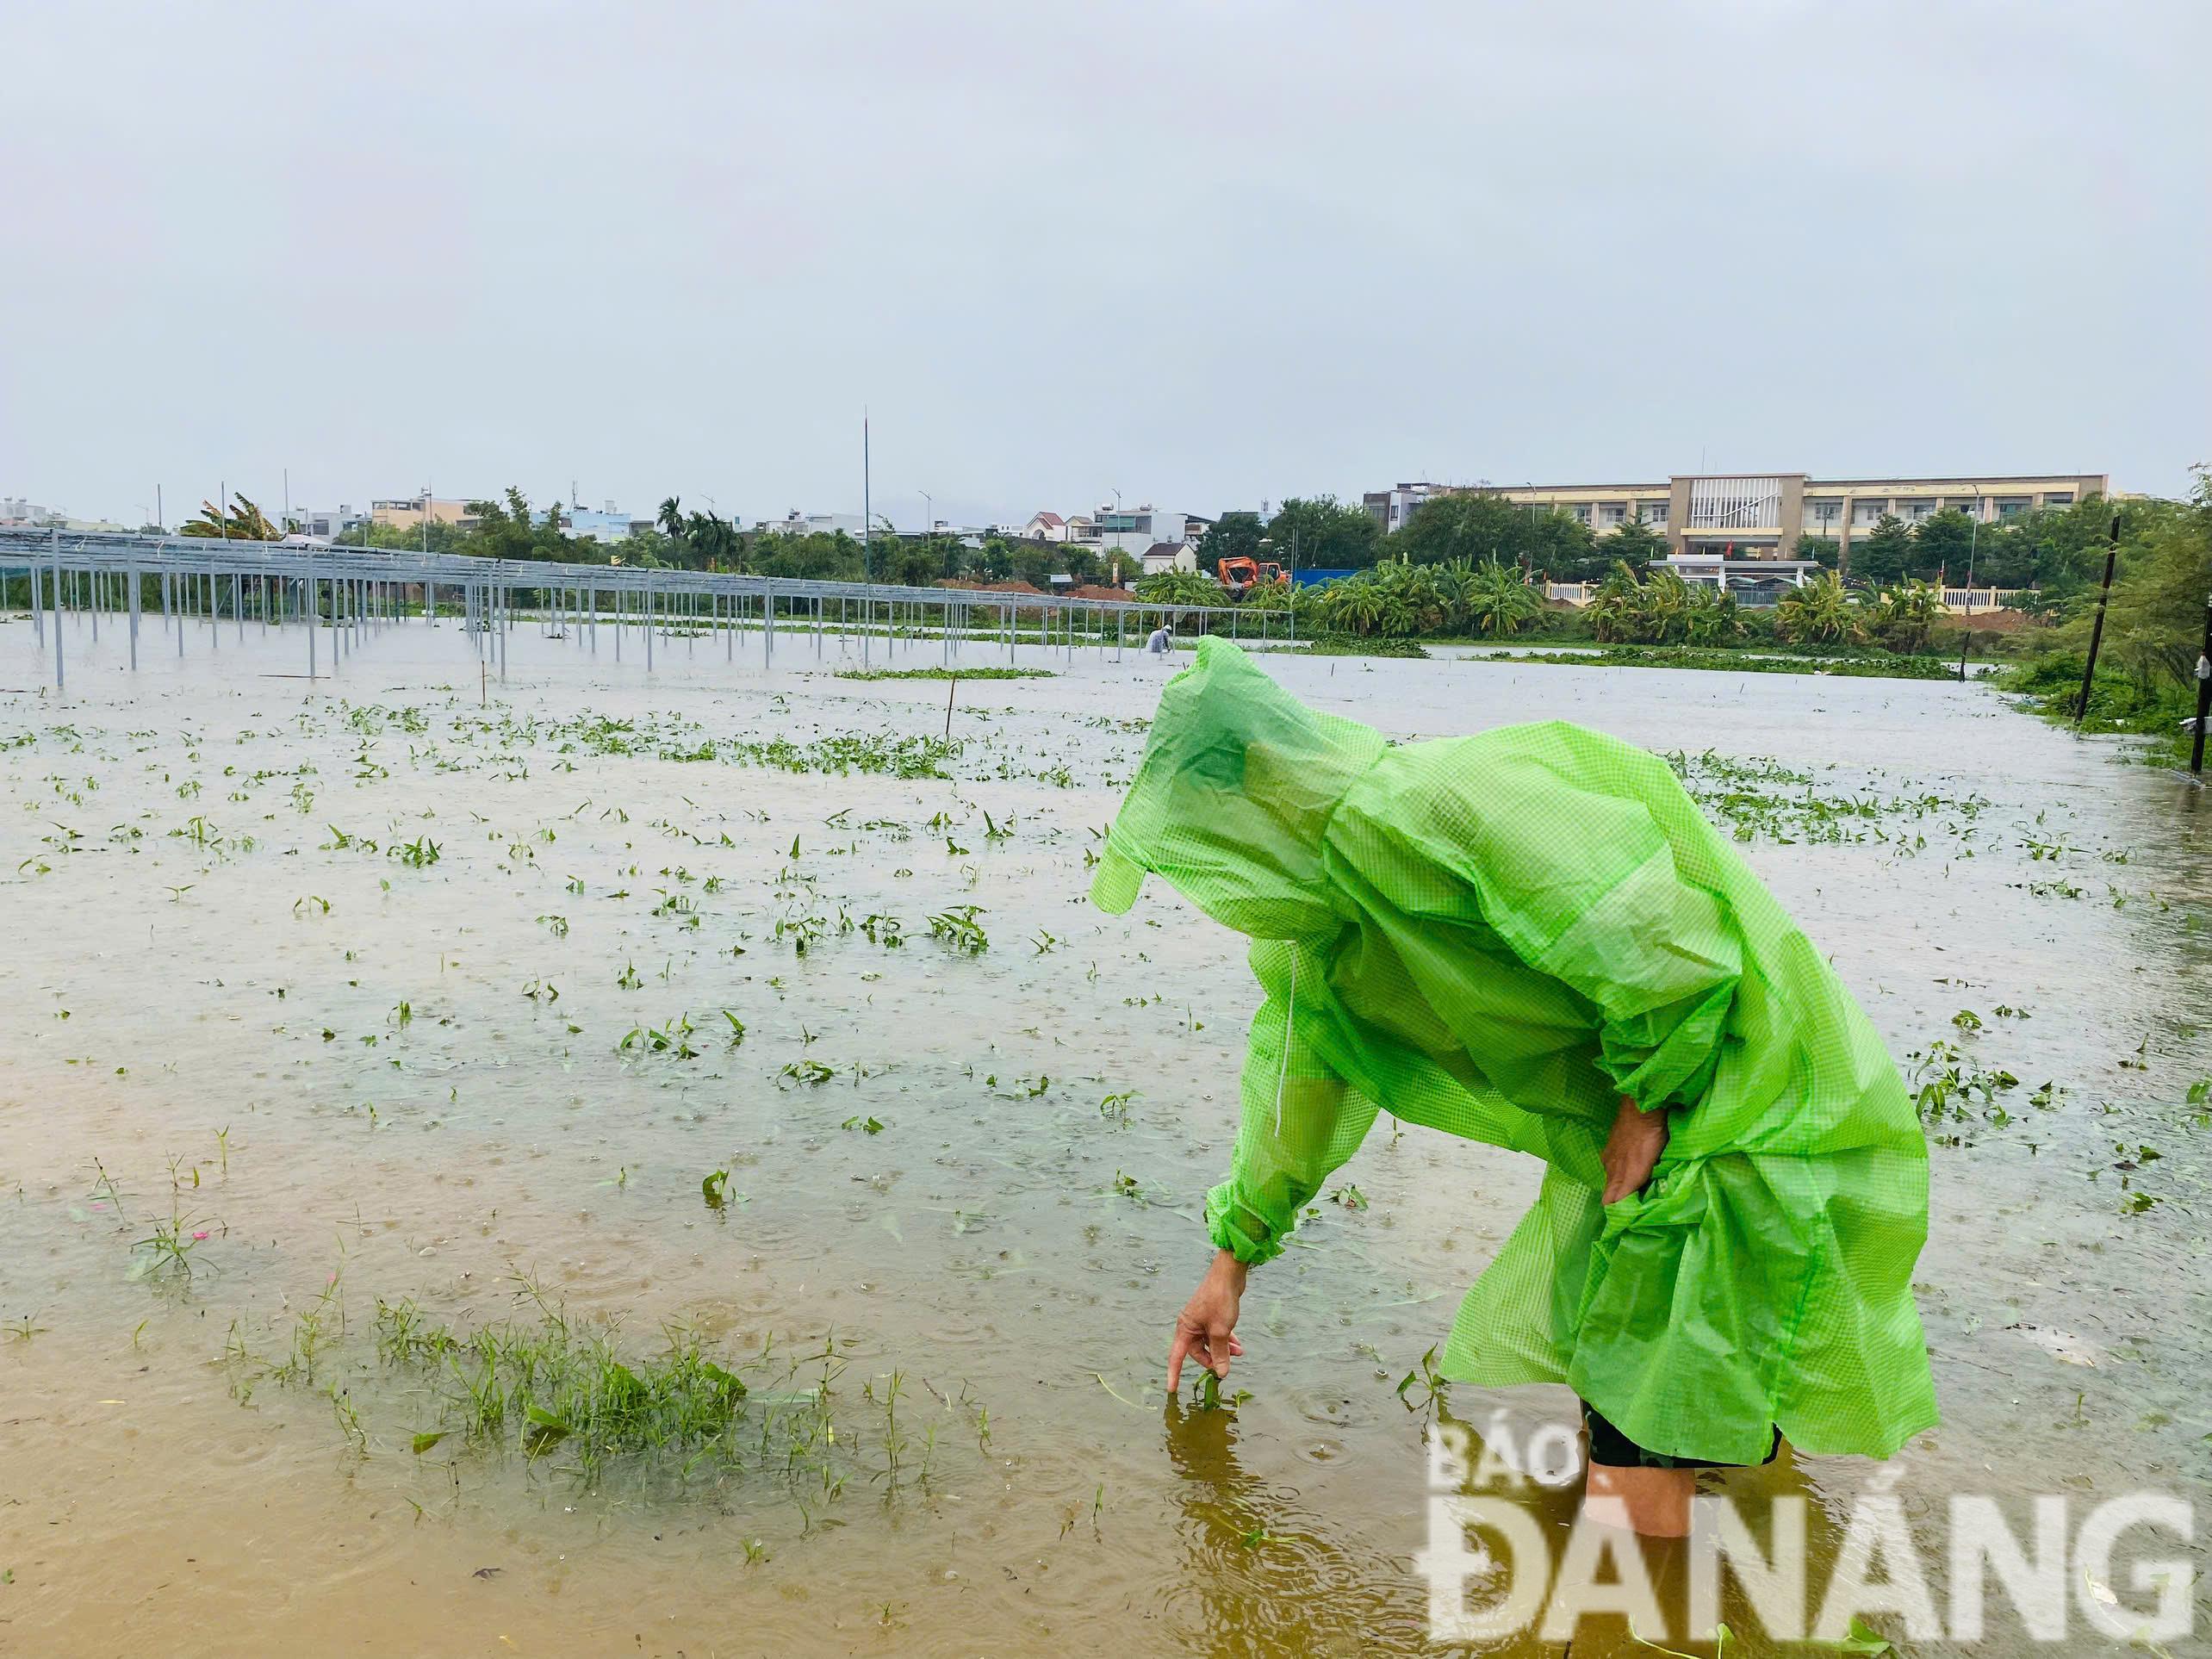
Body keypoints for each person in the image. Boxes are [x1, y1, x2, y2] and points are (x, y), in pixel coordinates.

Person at [1090, 639, 1936, 1537]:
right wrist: (1231, 1265)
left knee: (1641, 1462)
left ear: (1265, 784)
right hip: (1653, 1137)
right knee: (1670, 1406)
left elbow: (1661, 941)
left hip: (1738, 1111)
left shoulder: (1432, 803)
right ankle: (1740, 1598)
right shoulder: (1328, 939)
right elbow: (1298, 1099)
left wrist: (1644, 1107)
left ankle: (1663, 1609)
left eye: (1216, 825)